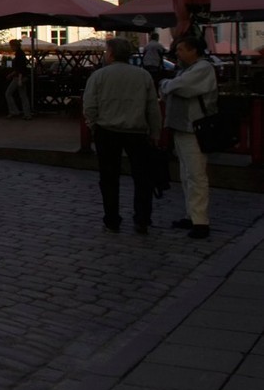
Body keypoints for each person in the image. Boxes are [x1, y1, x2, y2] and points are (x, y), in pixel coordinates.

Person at [83, 37, 162, 234]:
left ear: (110, 53)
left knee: (109, 177)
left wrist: (93, 126)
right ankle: (142, 218)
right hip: (136, 131)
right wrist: (155, 131)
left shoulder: (99, 76)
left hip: (107, 131)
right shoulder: (143, 76)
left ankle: (112, 219)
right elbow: (153, 107)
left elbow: (89, 105)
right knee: (142, 178)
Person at [159, 37, 219, 239]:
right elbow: (171, 89)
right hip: (181, 127)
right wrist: (169, 85)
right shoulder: (186, 69)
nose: (177, 53)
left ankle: (201, 221)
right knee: (186, 174)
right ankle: (191, 215)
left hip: (195, 128)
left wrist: (168, 84)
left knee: (196, 175)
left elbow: (179, 87)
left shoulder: (203, 68)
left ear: (194, 50)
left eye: (181, 50)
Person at [4, 39, 32, 120]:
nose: (11, 47)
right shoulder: (21, 54)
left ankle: (14, 111)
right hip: (21, 77)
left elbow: (20, 69)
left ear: (14, 46)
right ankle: (27, 114)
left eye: (11, 46)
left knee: (8, 93)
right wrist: (11, 74)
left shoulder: (19, 54)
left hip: (19, 78)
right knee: (23, 96)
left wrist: (19, 79)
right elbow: (21, 68)